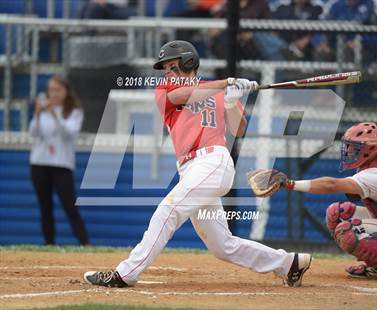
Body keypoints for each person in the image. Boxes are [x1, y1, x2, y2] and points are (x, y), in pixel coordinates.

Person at [84, 40, 312, 288]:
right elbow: (185, 94)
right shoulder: (166, 91)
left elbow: (239, 129)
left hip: (213, 161)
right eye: (166, 68)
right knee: (222, 245)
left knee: (168, 210)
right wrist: (225, 84)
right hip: (192, 170)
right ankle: (288, 263)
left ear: (189, 62)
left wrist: (230, 100)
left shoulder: (217, 91)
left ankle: (125, 274)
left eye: (173, 66)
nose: (169, 72)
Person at [250, 122, 377, 282]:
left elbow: (331, 185)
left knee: (348, 230)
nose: (349, 152)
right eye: (350, 147)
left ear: (372, 148)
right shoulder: (373, 166)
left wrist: (290, 184)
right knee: (338, 212)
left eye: (355, 148)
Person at [29, 76, 89, 246]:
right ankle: (49, 244)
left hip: (62, 164)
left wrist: (55, 114)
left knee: (70, 206)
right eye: (51, 90)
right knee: (45, 207)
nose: (53, 94)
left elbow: (69, 134)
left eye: (57, 90)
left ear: (66, 91)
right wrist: (38, 114)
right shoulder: (43, 110)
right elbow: (33, 133)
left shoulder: (74, 111)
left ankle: (85, 244)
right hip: (39, 163)